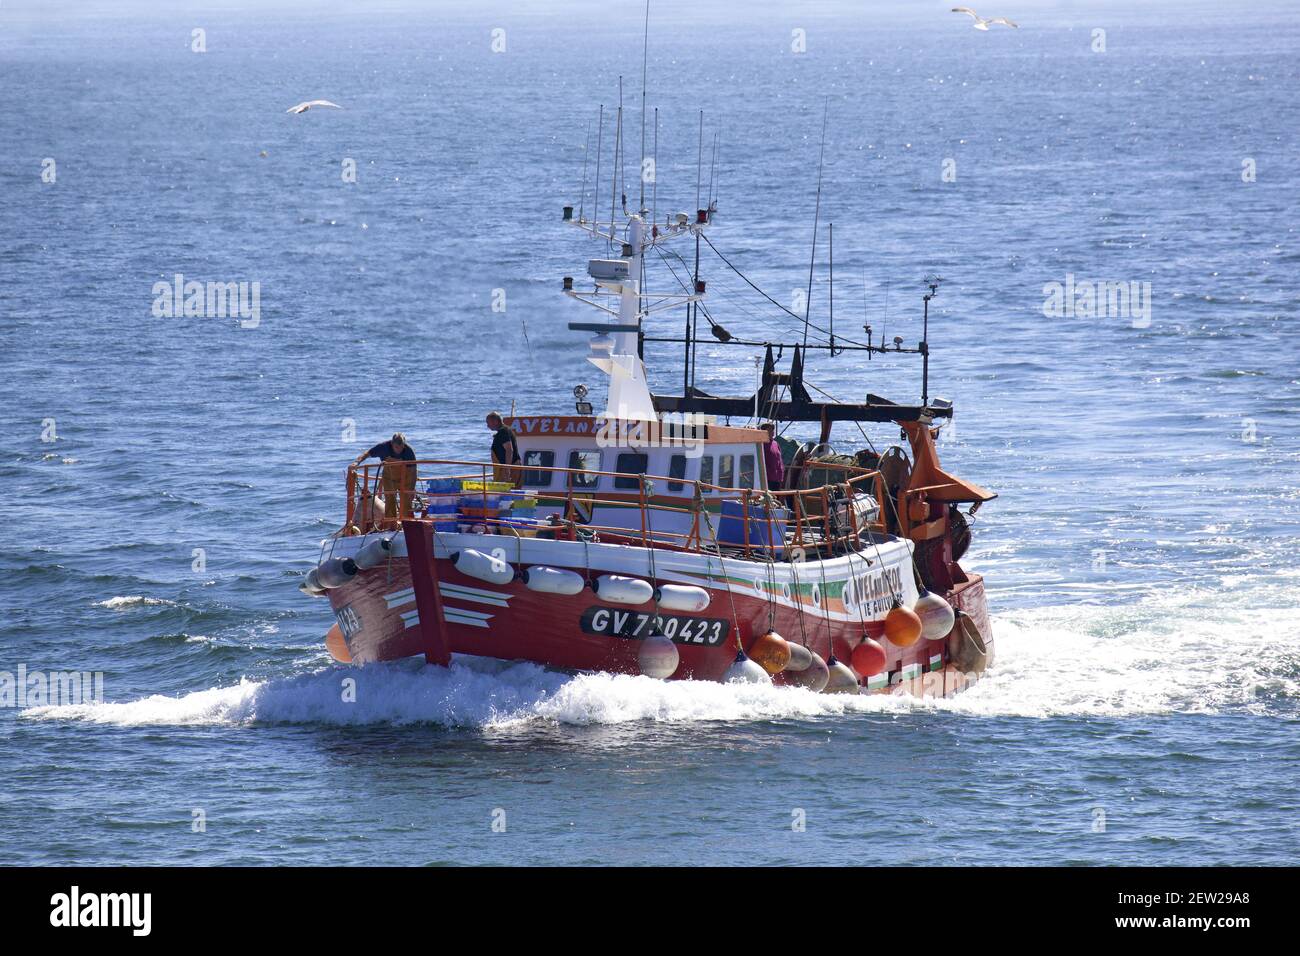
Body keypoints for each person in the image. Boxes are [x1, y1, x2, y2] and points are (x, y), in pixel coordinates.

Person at [354, 432, 416, 520]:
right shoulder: (383, 447)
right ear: (392, 444)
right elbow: (368, 453)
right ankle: (391, 524)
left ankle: (408, 523)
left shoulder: (409, 451)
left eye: (401, 447)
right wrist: (357, 462)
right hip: (389, 478)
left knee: (406, 502)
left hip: (405, 479)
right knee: (390, 500)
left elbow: (413, 472)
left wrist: (412, 489)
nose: (399, 450)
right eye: (396, 447)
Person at [486, 412, 520, 486]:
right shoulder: (504, 431)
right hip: (506, 467)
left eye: (488, 423)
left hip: (508, 469)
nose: (487, 426)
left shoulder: (503, 432)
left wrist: (507, 469)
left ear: (495, 421)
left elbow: (509, 450)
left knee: (504, 491)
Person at [761, 422, 785, 490]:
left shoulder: (775, 443)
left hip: (777, 478)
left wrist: (781, 474)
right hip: (767, 479)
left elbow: (780, 460)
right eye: (769, 430)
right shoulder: (762, 444)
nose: (772, 432)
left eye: (772, 430)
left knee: (776, 498)